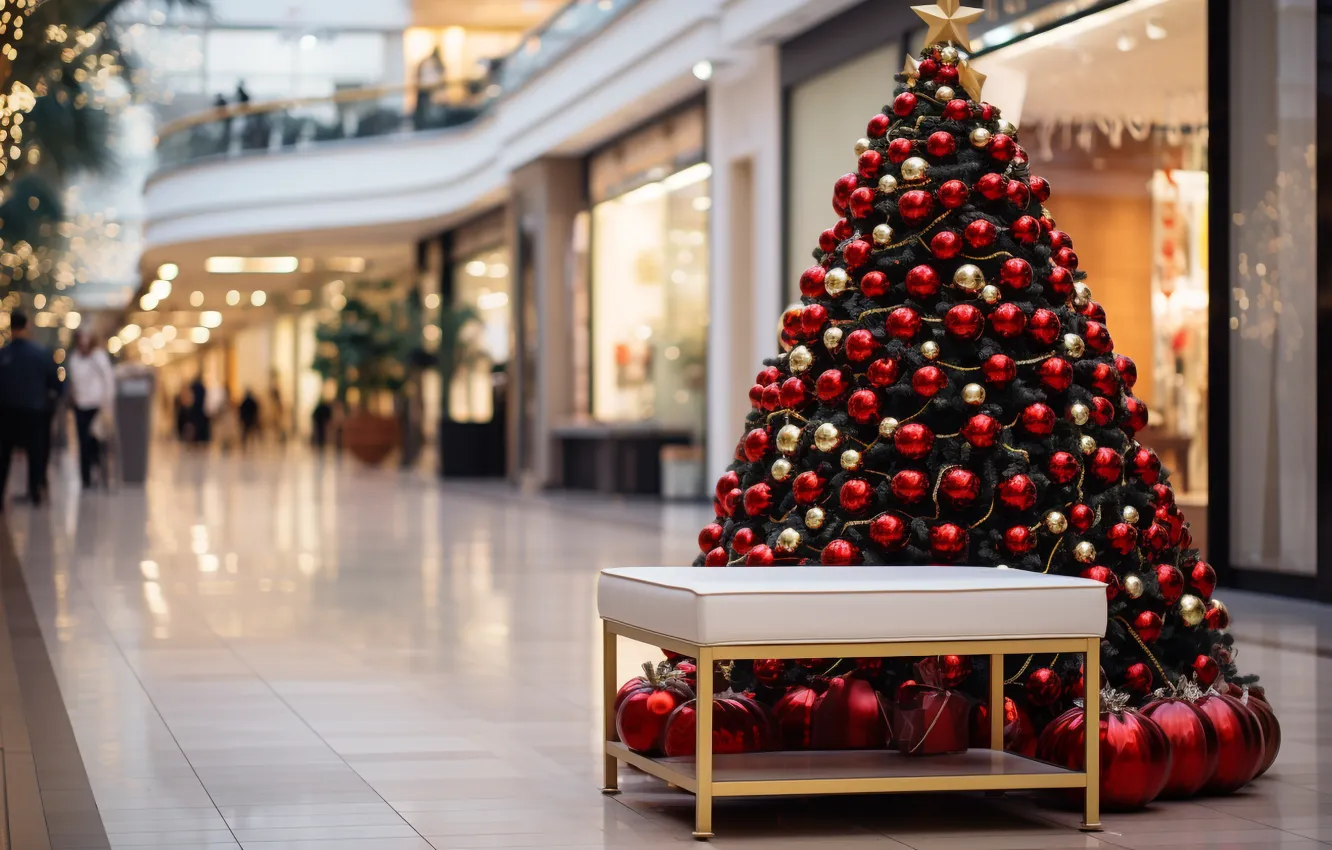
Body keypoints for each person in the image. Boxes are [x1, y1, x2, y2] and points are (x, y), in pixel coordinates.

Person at [0, 311, 61, 508]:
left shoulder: (4, 355)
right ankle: (35, 492)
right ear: (27, 326)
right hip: (35, 412)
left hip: (7, 413)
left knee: (4, 455)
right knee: (36, 452)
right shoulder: (40, 353)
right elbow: (56, 384)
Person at [65, 329, 116, 489]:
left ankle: (100, 473)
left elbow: (108, 380)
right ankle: (85, 478)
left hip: (97, 406)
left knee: (96, 442)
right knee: (83, 443)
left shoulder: (98, 357)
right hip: (81, 406)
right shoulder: (74, 358)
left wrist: (107, 404)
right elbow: (73, 381)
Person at [413, 47, 445, 129]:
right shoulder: (431, 62)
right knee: (424, 111)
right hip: (425, 90)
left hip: (425, 90)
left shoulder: (429, 62)